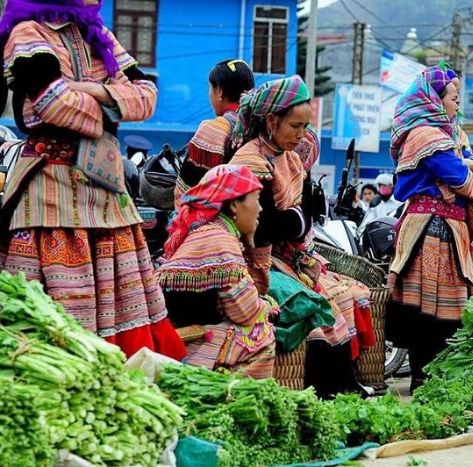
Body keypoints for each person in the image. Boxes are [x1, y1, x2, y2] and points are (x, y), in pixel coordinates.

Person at [0, 0, 185, 359]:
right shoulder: (27, 33)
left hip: (106, 193)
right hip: (50, 191)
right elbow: (52, 103)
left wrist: (86, 91)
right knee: (55, 319)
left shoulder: (98, 34)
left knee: (122, 306)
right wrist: (112, 104)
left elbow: (148, 96)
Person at [230, 75, 374, 397]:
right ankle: (328, 392)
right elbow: (265, 227)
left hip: (288, 256)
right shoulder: (250, 160)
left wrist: (294, 221)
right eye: (295, 126)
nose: (301, 134)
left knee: (340, 297)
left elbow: (301, 217)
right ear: (271, 120)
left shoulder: (291, 159)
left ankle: (341, 388)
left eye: (306, 126)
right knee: (318, 305)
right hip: (255, 260)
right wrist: (295, 221)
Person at [386, 65, 473, 392]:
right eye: (452, 94)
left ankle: (436, 376)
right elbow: (461, 178)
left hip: (452, 229)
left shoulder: (453, 133)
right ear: (433, 99)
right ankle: (422, 375)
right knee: (426, 309)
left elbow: (467, 173)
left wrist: (467, 169)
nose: (458, 99)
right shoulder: (423, 135)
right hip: (431, 230)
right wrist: (470, 169)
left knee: (449, 309)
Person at [158, 165, 276, 378]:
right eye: (256, 199)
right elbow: (246, 312)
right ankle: (235, 395)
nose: (260, 209)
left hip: (190, 327)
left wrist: (249, 244)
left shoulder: (213, 232)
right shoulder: (221, 241)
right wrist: (267, 307)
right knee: (261, 333)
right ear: (234, 205)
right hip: (193, 337)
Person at [174, 59, 255, 206]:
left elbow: (188, 189)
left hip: (221, 221)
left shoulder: (214, 129)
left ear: (220, 92)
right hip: (255, 213)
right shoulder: (261, 123)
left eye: (210, 88)